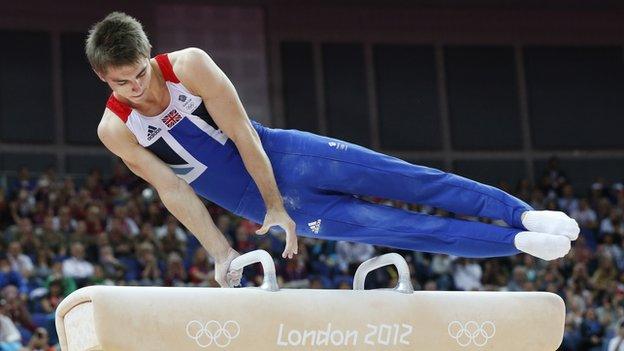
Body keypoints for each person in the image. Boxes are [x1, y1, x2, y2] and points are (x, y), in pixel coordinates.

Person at [87, 12, 579, 287]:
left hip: (283, 157)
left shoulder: (189, 66)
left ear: (150, 57)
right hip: (253, 203)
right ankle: (515, 244)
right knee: (402, 229)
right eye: (120, 83)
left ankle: (524, 216)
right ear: (102, 79)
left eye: (140, 74)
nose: (135, 89)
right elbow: (174, 190)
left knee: (408, 179)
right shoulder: (117, 129)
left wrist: (278, 204)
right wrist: (221, 252)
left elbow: (242, 134)